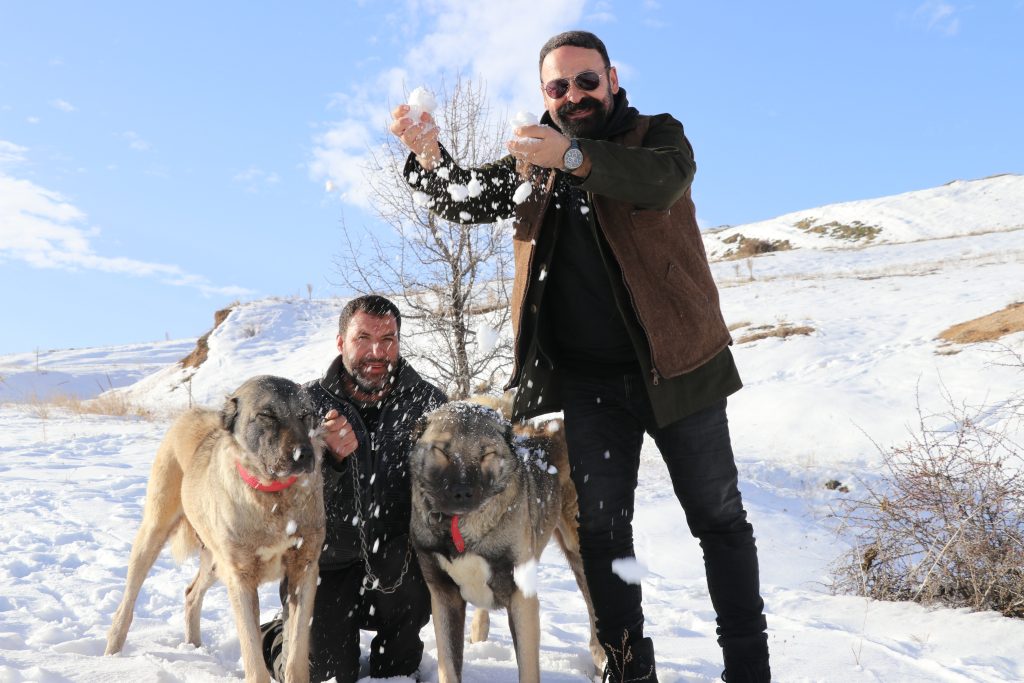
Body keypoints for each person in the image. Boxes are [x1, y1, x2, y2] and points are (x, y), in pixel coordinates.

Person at [389, 30, 770, 683]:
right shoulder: (531, 162)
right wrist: (429, 157)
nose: (574, 95)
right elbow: (465, 197)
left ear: (612, 79)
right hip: (592, 386)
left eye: (586, 80)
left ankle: (749, 669)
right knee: (601, 530)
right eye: (558, 87)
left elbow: (662, 182)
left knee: (718, 520)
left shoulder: (656, 136)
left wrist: (571, 156)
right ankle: (626, 668)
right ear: (545, 94)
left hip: (681, 369)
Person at [261, 295, 446, 682]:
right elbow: (276, 500)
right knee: (322, 674)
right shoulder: (304, 406)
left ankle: (398, 650)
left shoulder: (430, 404)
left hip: (397, 566)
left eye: (388, 339)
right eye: (363, 338)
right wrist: (327, 460)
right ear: (340, 342)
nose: (377, 352)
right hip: (323, 565)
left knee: (398, 673)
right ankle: (279, 634)